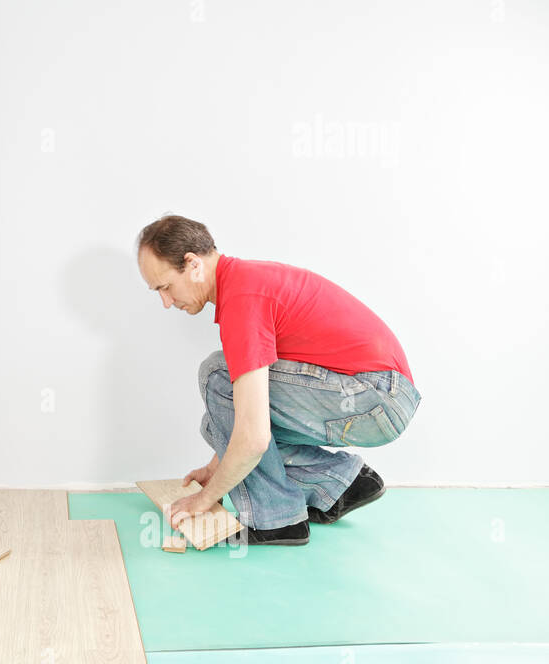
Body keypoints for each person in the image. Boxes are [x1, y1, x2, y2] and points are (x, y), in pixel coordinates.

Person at [135, 214, 421, 546]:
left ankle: (275, 520)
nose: (166, 302)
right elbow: (246, 424)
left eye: (166, 287)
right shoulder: (244, 282)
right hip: (378, 397)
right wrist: (217, 467)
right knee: (218, 427)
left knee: (217, 375)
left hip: (377, 396)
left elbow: (253, 437)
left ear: (193, 264)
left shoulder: (243, 299)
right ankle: (340, 483)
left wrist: (204, 499)